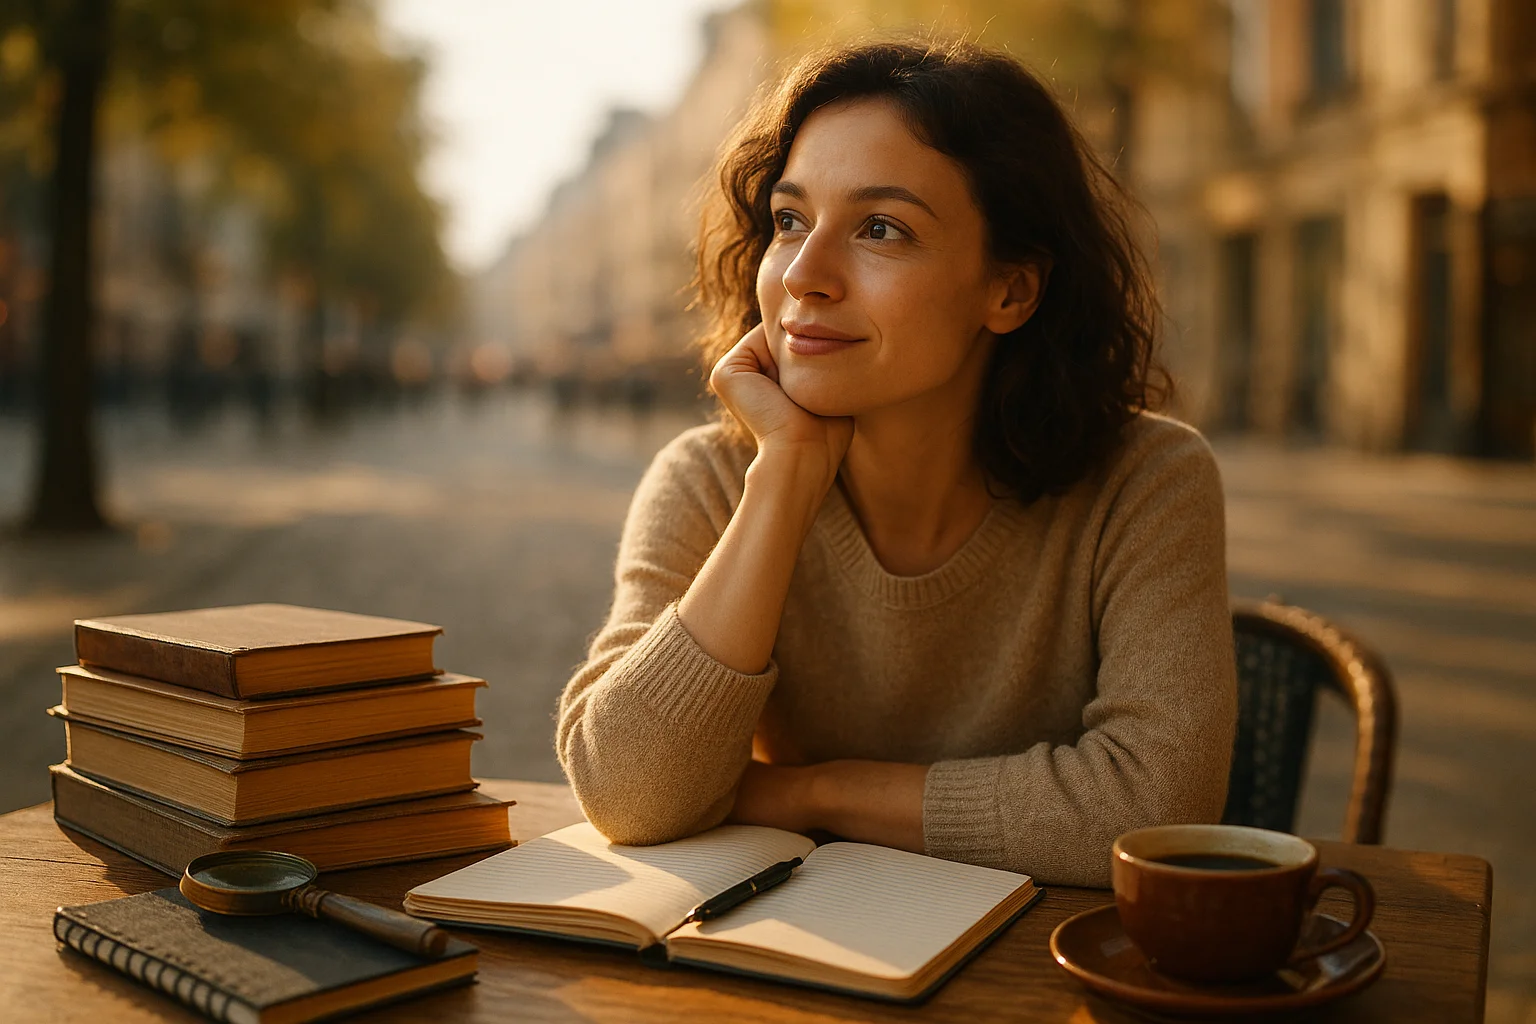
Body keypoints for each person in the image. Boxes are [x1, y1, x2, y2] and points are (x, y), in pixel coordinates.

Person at [556, 39, 1237, 887]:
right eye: (790, 220)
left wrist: (820, 793)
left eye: (881, 228)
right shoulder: (707, 478)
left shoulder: (1146, 479)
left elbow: (1154, 806)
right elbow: (627, 794)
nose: (804, 275)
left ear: (1011, 290)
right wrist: (785, 479)